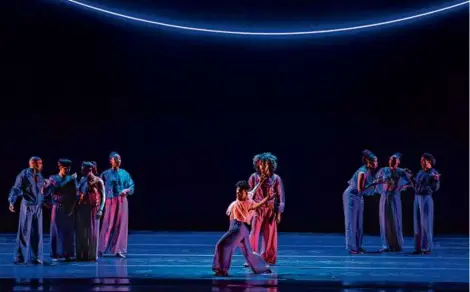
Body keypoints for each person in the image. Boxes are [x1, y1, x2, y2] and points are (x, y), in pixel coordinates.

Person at [213, 180, 273, 276]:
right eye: (237, 192)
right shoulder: (248, 195)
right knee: (248, 252)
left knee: (222, 245)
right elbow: (253, 190)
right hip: (242, 230)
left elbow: (257, 205)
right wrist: (261, 182)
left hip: (238, 228)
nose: (238, 194)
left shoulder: (248, 203)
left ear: (245, 193)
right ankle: (263, 269)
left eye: (241, 192)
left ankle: (221, 270)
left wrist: (267, 198)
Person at [246, 152, 285, 265]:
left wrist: (278, 213)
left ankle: (268, 257)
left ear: (270, 165)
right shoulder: (253, 177)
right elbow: (249, 195)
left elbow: (281, 197)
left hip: (270, 209)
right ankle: (251, 257)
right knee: (254, 233)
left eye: (265, 164)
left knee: (270, 234)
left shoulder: (276, 178)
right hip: (257, 208)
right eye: (260, 164)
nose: (262, 166)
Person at [8, 156, 47, 264]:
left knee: (38, 233)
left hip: (38, 207)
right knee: (24, 232)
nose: (41, 165)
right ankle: (20, 258)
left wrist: (44, 201)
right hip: (28, 206)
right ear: (34, 164)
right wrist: (12, 201)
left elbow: (41, 191)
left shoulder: (40, 175)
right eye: (40, 164)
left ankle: (37, 257)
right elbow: (16, 188)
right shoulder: (24, 174)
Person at [99, 152, 135, 258]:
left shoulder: (125, 173)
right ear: (111, 160)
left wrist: (127, 190)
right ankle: (102, 248)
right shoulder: (105, 174)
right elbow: (99, 188)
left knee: (121, 225)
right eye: (116, 159)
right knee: (107, 224)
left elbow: (131, 185)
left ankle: (118, 249)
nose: (118, 161)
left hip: (122, 200)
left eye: (119, 159)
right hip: (110, 201)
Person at [374, 153, 413, 252]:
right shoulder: (384, 170)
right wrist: (382, 181)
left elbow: (412, 181)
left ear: (398, 162)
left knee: (395, 220)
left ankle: (397, 244)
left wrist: (403, 187)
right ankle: (385, 245)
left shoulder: (401, 171)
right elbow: (376, 181)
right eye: (391, 159)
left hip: (394, 197)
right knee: (384, 220)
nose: (392, 161)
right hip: (385, 196)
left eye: (395, 160)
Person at [343, 150, 378, 254]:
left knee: (359, 223)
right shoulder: (362, 171)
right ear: (368, 161)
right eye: (374, 161)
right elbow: (360, 188)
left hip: (359, 196)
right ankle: (352, 248)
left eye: (377, 161)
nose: (376, 163)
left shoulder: (369, 171)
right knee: (351, 222)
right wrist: (374, 184)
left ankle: (358, 246)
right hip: (351, 195)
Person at [46, 159, 78, 261]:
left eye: (69, 168)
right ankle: (56, 253)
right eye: (65, 168)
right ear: (60, 167)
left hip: (69, 207)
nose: (67, 170)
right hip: (58, 206)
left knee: (68, 231)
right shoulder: (53, 178)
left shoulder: (71, 179)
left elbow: (74, 193)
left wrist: (73, 207)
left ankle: (68, 253)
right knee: (56, 230)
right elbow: (57, 187)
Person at [75, 161, 105, 261]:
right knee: (81, 232)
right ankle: (81, 255)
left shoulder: (98, 181)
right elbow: (79, 191)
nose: (81, 171)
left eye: (83, 169)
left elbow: (103, 196)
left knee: (93, 232)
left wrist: (101, 209)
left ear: (90, 170)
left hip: (93, 209)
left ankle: (91, 255)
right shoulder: (82, 179)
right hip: (82, 208)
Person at [412, 153, 440, 255]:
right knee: (417, 223)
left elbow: (435, 188)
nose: (421, 162)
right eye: (421, 160)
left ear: (429, 161)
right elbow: (416, 185)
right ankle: (418, 248)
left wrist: (436, 180)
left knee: (426, 224)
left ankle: (426, 248)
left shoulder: (433, 173)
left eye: (423, 160)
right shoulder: (420, 172)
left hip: (426, 198)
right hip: (417, 197)